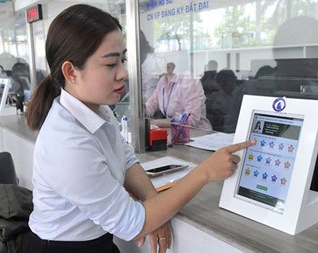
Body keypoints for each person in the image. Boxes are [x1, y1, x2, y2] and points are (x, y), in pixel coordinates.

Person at [24, 4, 253, 253]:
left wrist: (155, 204)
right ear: (71, 72)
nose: (123, 73)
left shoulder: (97, 110)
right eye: (111, 64)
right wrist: (204, 173)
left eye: (123, 59)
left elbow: (127, 159)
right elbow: (133, 224)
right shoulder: (66, 142)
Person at [145, 62, 212, 130]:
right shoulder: (162, 81)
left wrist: (160, 123)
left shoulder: (188, 81)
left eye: (166, 57)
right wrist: (142, 113)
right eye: (160, 58)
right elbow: (153, 102)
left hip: (197, 133)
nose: (162, 62)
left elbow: (191, 119)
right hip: (174, 132)